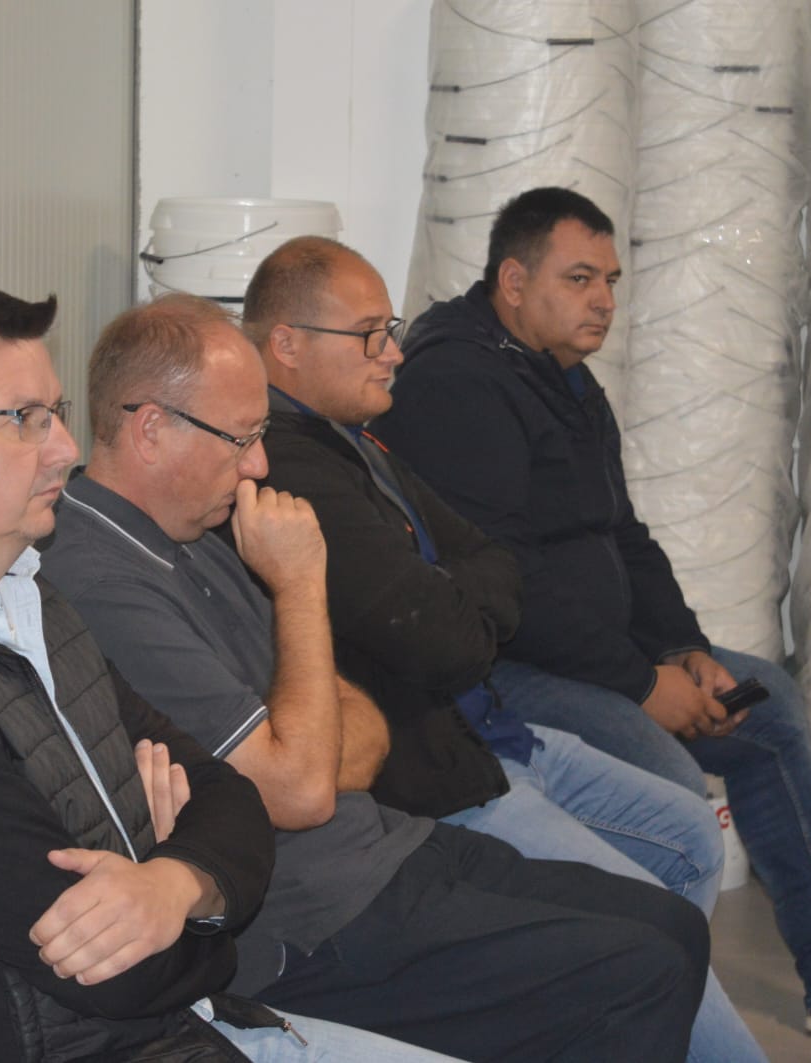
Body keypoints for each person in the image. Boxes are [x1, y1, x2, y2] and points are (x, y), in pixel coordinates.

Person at [0, 276, 468, 1062]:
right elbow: (114, 972)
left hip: (180, 1027)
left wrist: (172, 882)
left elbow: (227, 795)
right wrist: (198, 894)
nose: (66, 447)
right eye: (25, 419)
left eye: (55, 412)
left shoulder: (26, 598)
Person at [371, 185, 811, 1035]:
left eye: (611, 281)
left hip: (597, 653)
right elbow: (508, 583)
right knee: (667, 782)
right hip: (505, 667)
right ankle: (648, 1016)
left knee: (767, 705)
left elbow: (623, 535)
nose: (604, 301)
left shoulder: (563, 378)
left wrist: (685, 648)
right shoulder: (456, 384)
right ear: (513, 281)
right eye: (580, 279)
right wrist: (640, 684)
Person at [44, 293, 716, 1061]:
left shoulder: (194, 527)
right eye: (242, 438)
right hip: (312, 921)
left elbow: (357, 730)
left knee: (676, 926)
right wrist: (300, 584)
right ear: (151, 428)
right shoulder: (100, 578)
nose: (258, 464)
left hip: (384, 846)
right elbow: (301, 790)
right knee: (643, 970)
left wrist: (304, 740)